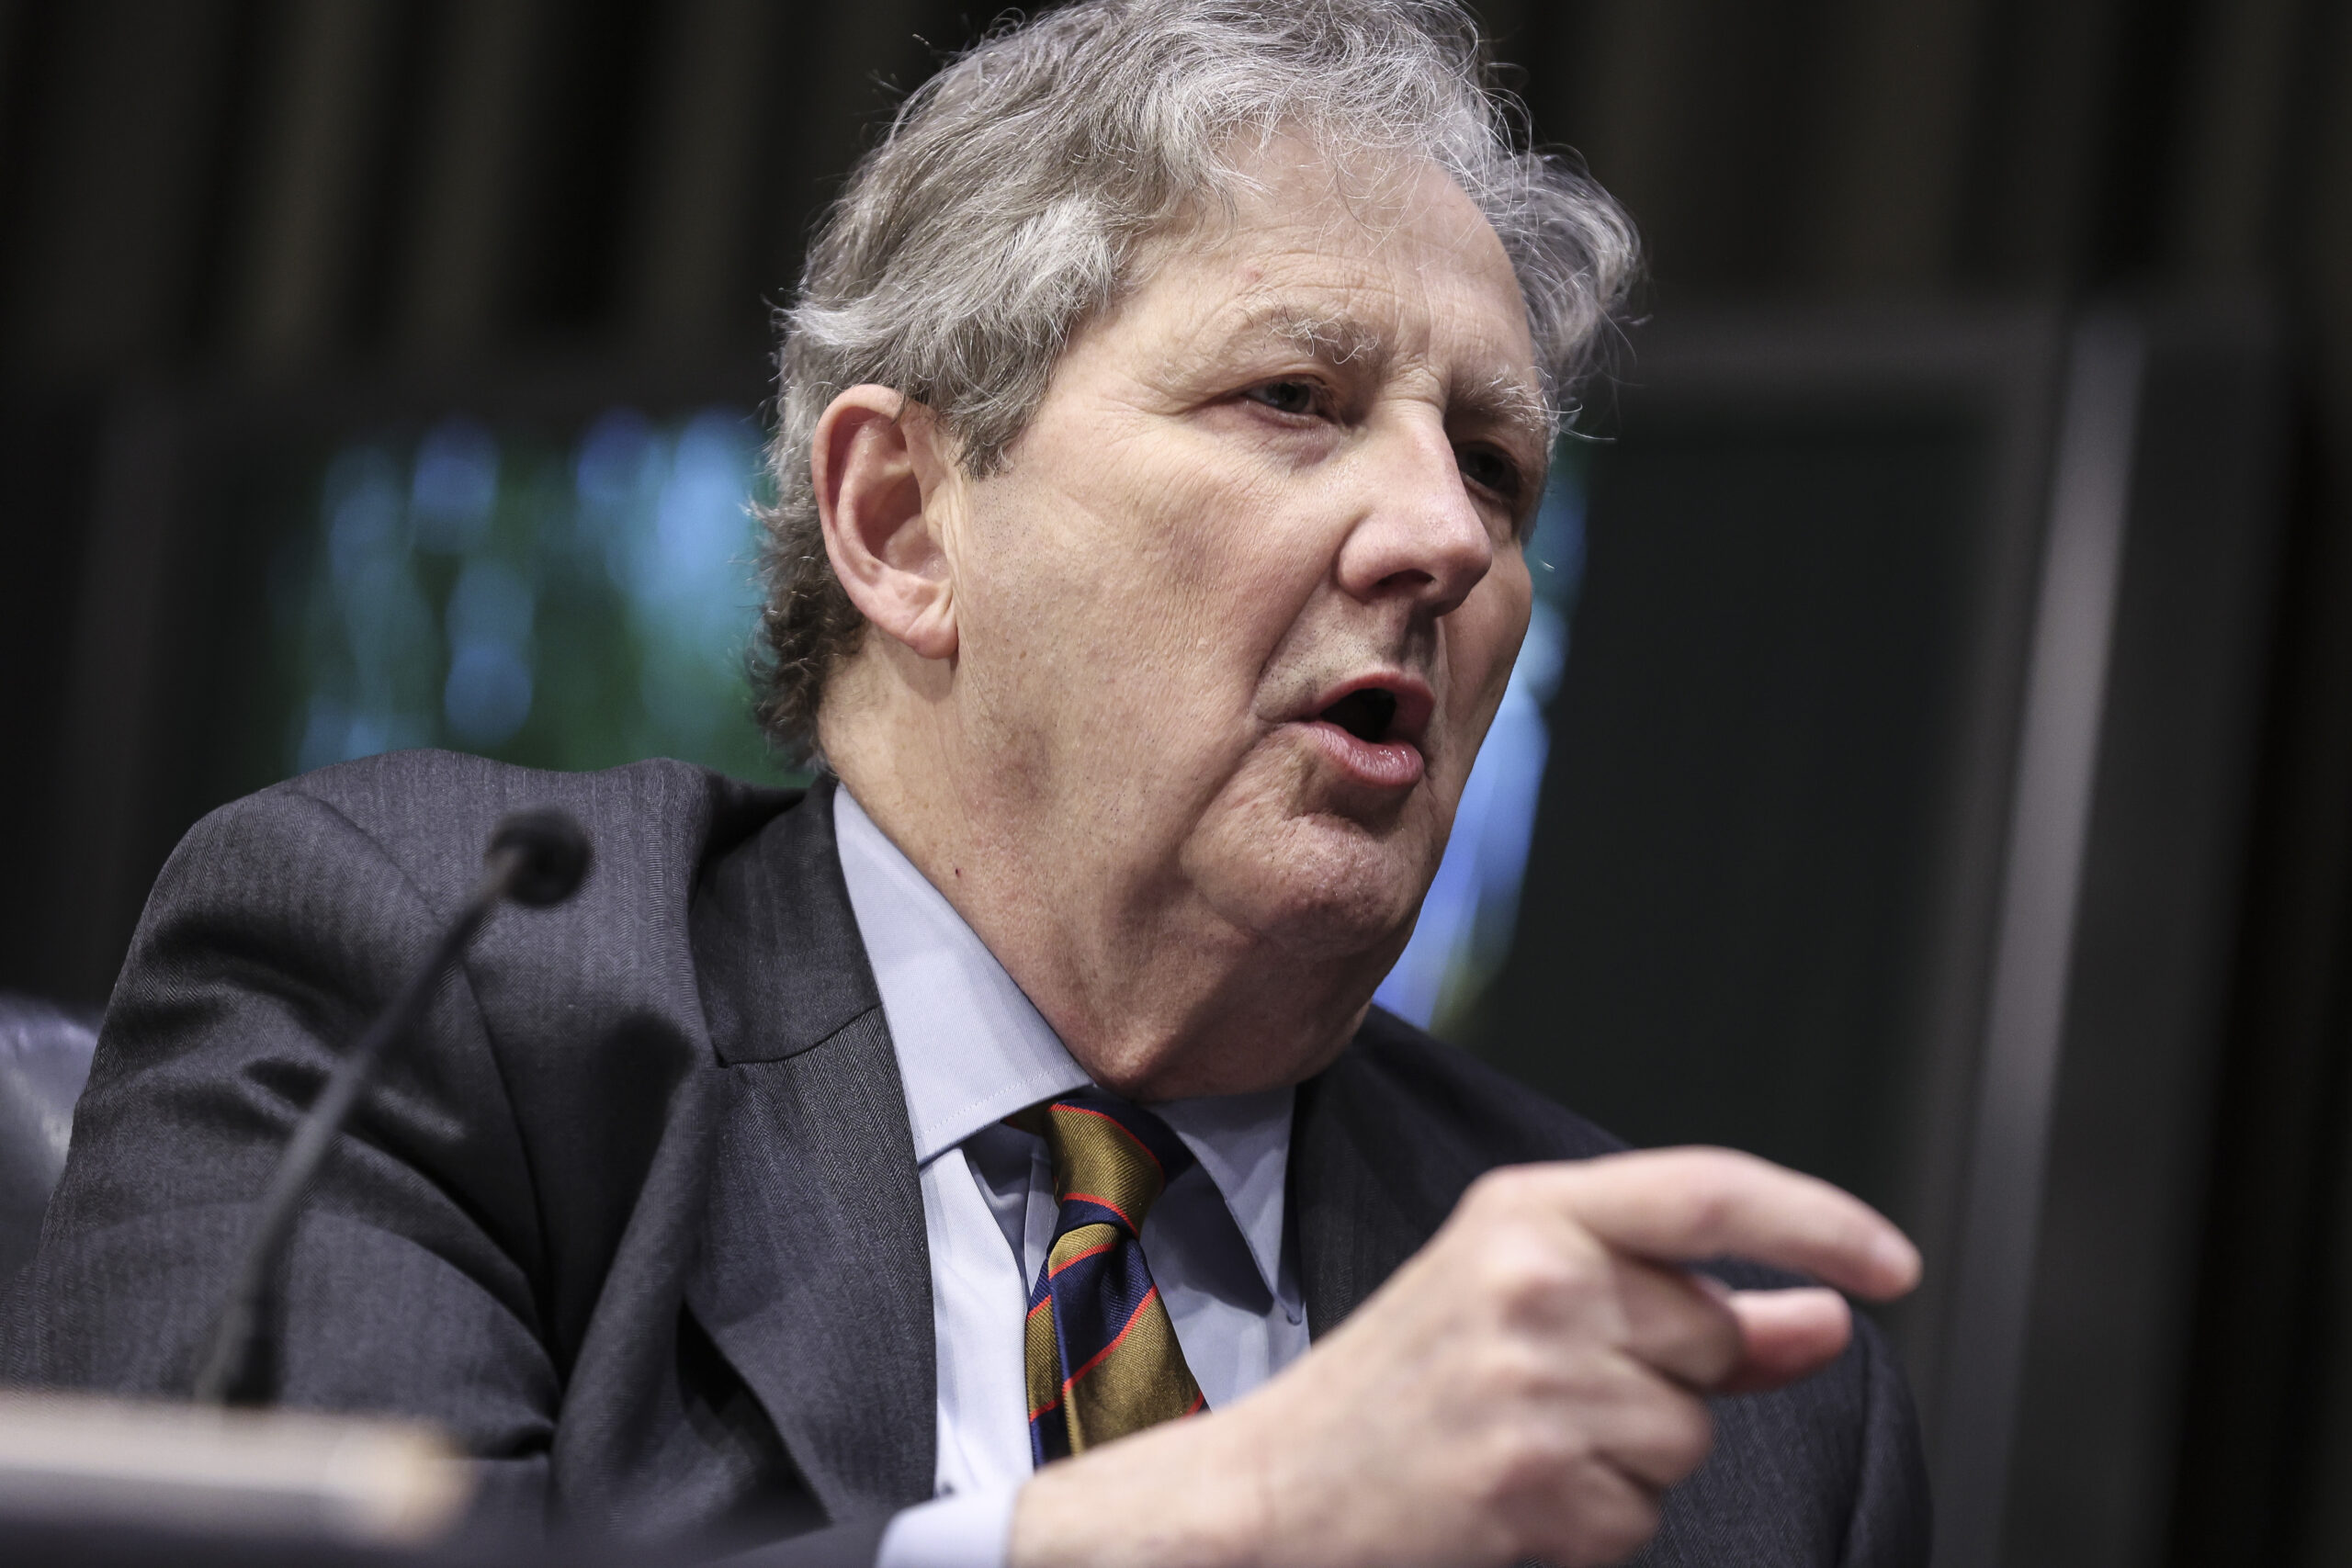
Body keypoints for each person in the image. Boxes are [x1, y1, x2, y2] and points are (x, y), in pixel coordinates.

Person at [11, 1, 1929, 1564]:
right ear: (900, 516)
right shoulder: (433, 995)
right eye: (1293, 400)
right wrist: (1232, 1514)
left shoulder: (1720, 1398)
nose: (1440, 533)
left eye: (1496, 467)